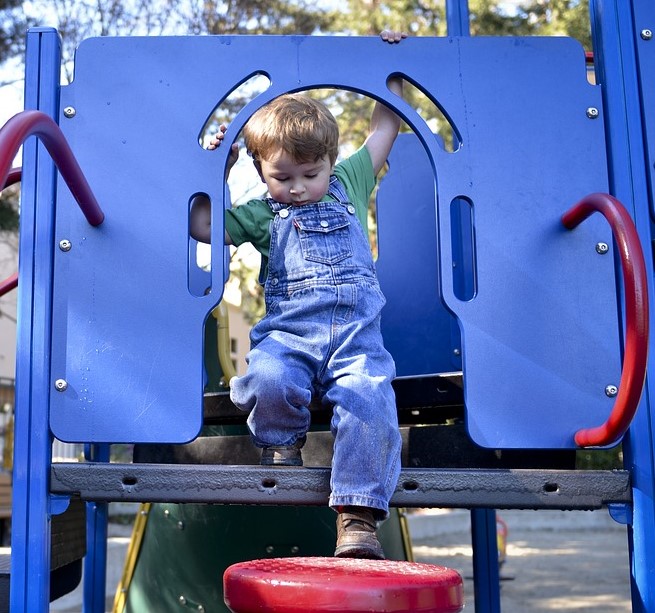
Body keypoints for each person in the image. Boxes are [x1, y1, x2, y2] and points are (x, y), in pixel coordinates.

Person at [191, 30, 407, 559]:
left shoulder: (352, 180)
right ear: (260, 170)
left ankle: (357, 517)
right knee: (265, 376)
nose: (298, 187)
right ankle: (281, 447)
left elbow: (387, 124)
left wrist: (392, 62)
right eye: (281, 176)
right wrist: (211, 167)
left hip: (356, 339)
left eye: (311, 173)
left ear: (330, 161)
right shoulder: (263, 214)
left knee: (370, 402)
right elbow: (202, 225)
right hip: (289, 336)